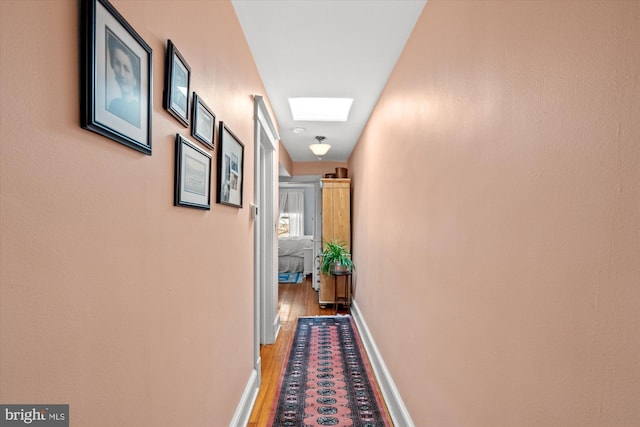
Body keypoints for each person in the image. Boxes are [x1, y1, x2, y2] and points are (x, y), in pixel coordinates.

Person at [107, 33, 140, 127]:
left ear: (135, 77)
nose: (121, 73)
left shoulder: (138, 111)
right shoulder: (113, 104)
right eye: (117, 64)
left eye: (126, 69)